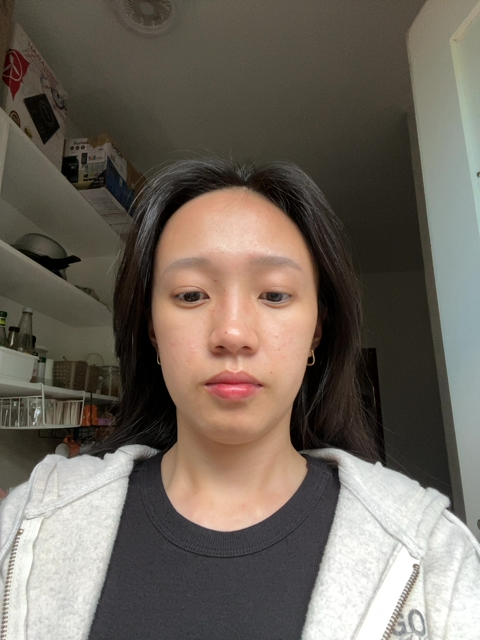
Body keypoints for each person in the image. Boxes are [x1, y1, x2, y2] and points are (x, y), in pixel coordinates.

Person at [0, 159, 479, 640]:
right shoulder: (31, 522)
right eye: (191, 295)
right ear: (151, 328)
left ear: (317, 330)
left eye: (274, 295)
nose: (232, 333)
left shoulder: (432, 554)